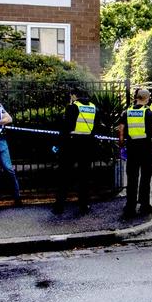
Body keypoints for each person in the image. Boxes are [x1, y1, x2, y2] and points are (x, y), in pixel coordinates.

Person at [53, 87, 98, 216]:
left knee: (65, 175)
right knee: (84, 176)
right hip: (87, 144)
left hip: (71, 144)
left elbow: (65, 128)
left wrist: (58, 145)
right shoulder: (93, 108)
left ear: (74, 96)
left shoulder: (72, 107)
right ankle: (84, 205)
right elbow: (96, 126)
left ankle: (59, 206)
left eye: (70, 96)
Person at [117, 87, 152, 219]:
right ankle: (144, 205)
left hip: (132, 148)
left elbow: (121, 131)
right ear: (146, 98)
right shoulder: (149, 113)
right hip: (146, 147)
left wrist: (122, 143)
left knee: (132, 177)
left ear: (137, 97)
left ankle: (130, 207)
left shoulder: (126, 112)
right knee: (145, 177)